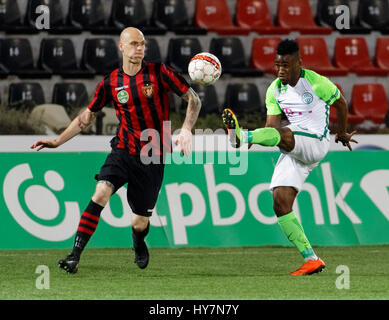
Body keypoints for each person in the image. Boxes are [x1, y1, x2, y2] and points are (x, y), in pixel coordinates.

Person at [31, 27, 201, 274]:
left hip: (153, 153)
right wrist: (58, 141)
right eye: (134, 44)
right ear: (121, 47)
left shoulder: (159, 73)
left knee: (139, 221)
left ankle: (138, 240)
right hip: (122, 149)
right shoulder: (111, 82)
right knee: (100, 193)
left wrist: (186, 129)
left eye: (143, 44)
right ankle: (74, 256)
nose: (140, 48)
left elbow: (193, 99)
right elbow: (85, 118)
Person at [222, 39, 357, 276]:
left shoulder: (316, 82)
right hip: (294, 144)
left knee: (283, 134)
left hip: (316, 141)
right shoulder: (274, 89)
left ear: (298, 63)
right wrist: (255, 141)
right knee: (280, 201)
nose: (281, 70)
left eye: (286, 65)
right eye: (277, 65)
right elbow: (272, 128)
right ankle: (311, 259)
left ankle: (242, 136)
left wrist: (342, 131)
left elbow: (341, 103)